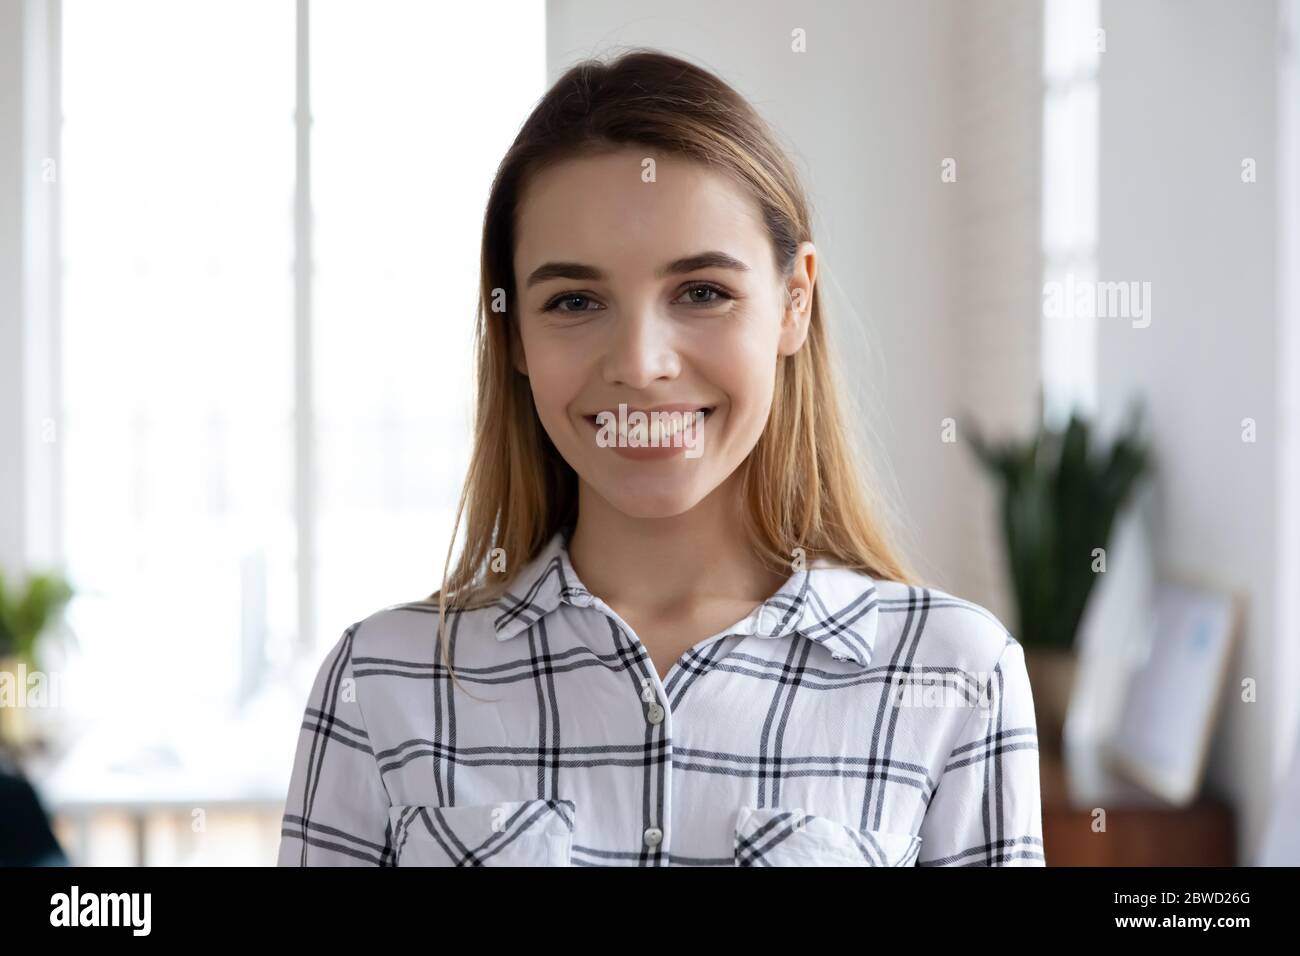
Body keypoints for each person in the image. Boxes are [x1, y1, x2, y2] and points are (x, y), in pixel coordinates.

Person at [277, 48, 1043, 867]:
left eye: (702, 292)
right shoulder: (381, 685)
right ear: (514, 334)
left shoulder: (957, 677)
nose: (641, 363)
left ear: (794, 303)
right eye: (574, 301)